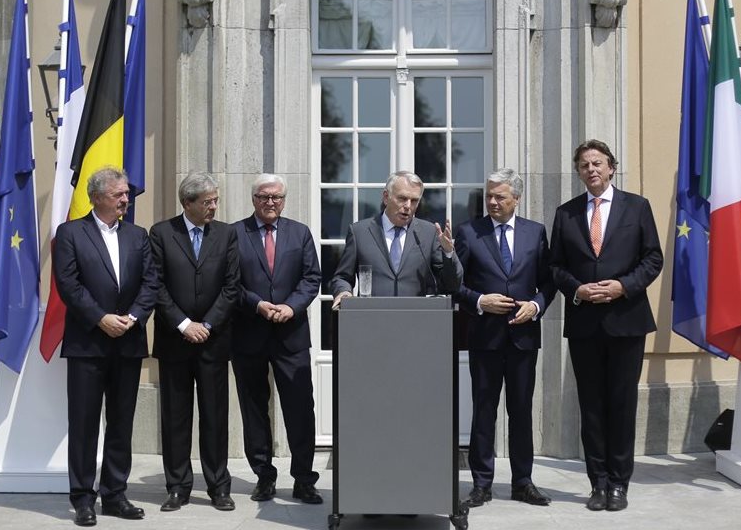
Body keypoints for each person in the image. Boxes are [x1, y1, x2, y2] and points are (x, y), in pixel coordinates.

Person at [549, 139, 663, 512]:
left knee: (621, 404)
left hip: (625, 322)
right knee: (592, 407)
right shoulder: (566, 214)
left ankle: (619, 483)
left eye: (597, 163)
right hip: (584, 324)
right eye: (584, 165)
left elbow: (652, 259)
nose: (591, 170)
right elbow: (554, 267)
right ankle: (597, 483)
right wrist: (577, 289)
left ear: (611, 167)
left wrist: (622, 286)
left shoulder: (637, 207)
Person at [53, 167, 158, 527]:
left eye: (126, 194)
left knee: (121, 422)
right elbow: (68, 284)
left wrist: (133, 317)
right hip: (87, 343)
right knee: (83, 424)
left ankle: (114, 494)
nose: (126, 200)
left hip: (128, 342)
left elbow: (151, 282)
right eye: (119, 194)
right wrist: (100, 318)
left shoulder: (137, 235)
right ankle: (83, 497)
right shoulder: (70, 234)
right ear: (97, 197)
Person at [454, 168, 557, 508]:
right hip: (484, 337)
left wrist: (536, 305)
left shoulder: (535, 233)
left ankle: (522, 482)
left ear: (517, 198)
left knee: (521, 411)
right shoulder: (470, 232)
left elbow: (548, 282)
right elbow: (454, 285)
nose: (493, 202)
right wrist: (481, 301)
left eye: (500, 196)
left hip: (523, 339)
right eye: (489, 196)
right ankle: (481, 483)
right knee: (484, 412)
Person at [149, 172, 240, 512]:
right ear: (187, 203)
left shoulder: (226, 234)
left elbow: (232, 285)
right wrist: (185, 324)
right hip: (176, 340)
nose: (213, 207)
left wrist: (208, 324)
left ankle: (218, 486)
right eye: (207, 202)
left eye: (215, 200)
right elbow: (155, 284)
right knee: (175, 416)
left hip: (213, 341)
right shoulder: (161, 233)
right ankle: (177, 486)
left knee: (215, 416)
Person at [231, 174, 323, 505]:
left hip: (291, 335)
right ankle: (264, 477)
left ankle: (304, 479)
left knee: (300, 408)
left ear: (284, 200)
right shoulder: (235, 234)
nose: (271, 203)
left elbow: (312, 278)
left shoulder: (300, 233)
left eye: (277, 197)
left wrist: (290, 306)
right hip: (249, 334)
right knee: (254, 409)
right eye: (264, 197)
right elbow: (230, 283)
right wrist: (257, 304)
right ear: (253, 198)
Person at [330, 170, 462, 305]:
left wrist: (448, 253)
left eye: (414, 201)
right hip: (371, 317)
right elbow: (342, 277)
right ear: (386, 197)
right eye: (402, 198)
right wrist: (344, 292)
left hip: (416, 319)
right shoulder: (360, 232)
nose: (408, 206)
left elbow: (451, 285)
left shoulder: (428, 233)